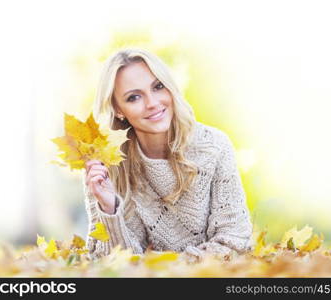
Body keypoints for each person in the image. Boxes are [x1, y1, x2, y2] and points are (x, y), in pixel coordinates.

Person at [82, 48, 253, 262]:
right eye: (134, 97)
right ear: (118, 110)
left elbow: (234, 240)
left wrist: (169, 268)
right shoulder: (106, 166)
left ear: (170, 88)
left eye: (158, 87)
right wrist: (109, 208)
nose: (152, 103)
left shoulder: (214, 146)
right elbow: (111, 263)